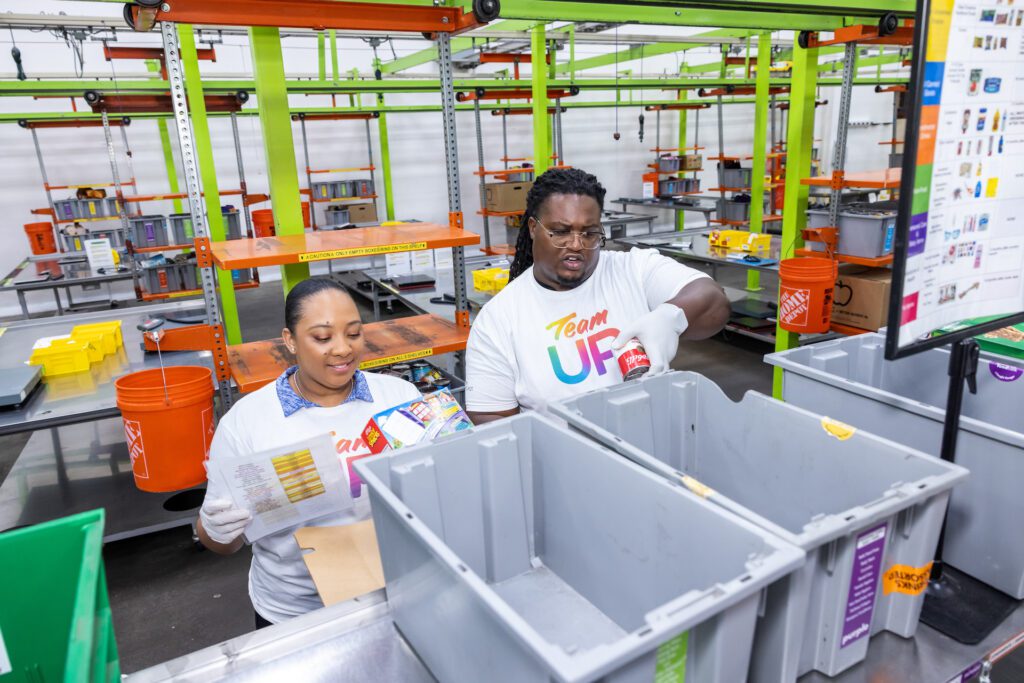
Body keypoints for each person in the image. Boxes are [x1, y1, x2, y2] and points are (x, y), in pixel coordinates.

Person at [197, 277, 421, 628]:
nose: (343, 349)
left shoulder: (399, 398)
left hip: (395, 592)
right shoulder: (248, 422)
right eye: (322, 337)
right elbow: (222, 543)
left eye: (353, 333)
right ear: (290, 341)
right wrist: (215, 529)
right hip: (294, 613)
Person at [466, 168, 730, 423]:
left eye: (589, 233)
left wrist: (672, 316)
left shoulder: (632, 269)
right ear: (534, 228)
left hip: (649, 441)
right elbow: (492, 417)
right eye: (560, 232)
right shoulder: (499, 319)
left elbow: (713, 300)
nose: (576, 245)